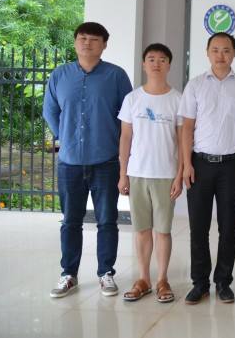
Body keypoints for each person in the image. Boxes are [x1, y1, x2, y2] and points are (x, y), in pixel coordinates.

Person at [43, 22, 132, 298]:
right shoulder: (60, 75)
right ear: (75, 42)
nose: (87, 43)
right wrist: (65, 137)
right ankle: (68, 274)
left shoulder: (116, 76)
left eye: (94, 40)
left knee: (107, 220)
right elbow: (50, 111)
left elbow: (127, 117)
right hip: (70, 162)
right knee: (70, 221)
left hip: (106, 161)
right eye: (82, 38)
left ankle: (106, 273)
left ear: (104, 45)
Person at [178, 32, 235, 304]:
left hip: (231, 166)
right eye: (215, 50)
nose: (220, 55)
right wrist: (187, 164)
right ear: (207, 53)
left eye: (226, 50)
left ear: (234, 53)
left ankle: (223, 282)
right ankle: (200, 283)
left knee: (228, 225)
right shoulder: (195, 85)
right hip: (200, 164)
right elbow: (187, 127)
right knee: (198, 227)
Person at [117, 43, 182, 303]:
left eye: (162, 59)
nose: (156, 63)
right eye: (151, 59)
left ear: (169, 65)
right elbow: (125, 137)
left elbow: (183, 140)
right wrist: (123, 173)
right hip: (137, 173)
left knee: (163, 231)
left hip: (166, 174)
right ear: (144, 64)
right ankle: (143, 279)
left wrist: (179, 175)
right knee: (142, 229)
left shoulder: (178, 99)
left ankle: (162, 280)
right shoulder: (133, 99)